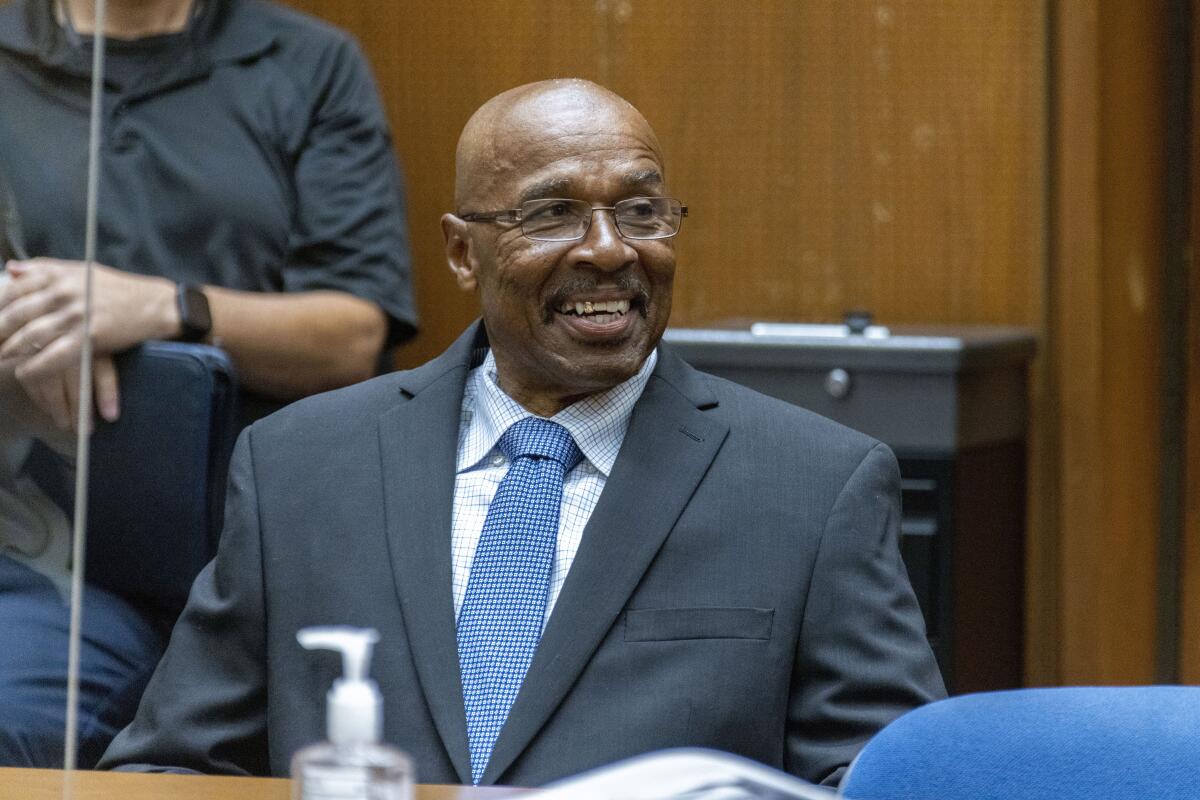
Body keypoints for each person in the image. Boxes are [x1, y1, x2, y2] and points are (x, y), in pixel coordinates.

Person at [99, 79, 944, 787]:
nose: (611, 251)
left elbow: (886, 781)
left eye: (642, 211)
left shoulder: (813, 483)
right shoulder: (300, 467)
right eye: (553, 214)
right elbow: (173, 768)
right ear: (462, 253)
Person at [0, 0, 417, 767]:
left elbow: (354, 333)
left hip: (268, 558)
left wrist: (164, 307)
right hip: (46, 557)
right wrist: (38, 316)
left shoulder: (305, 63)